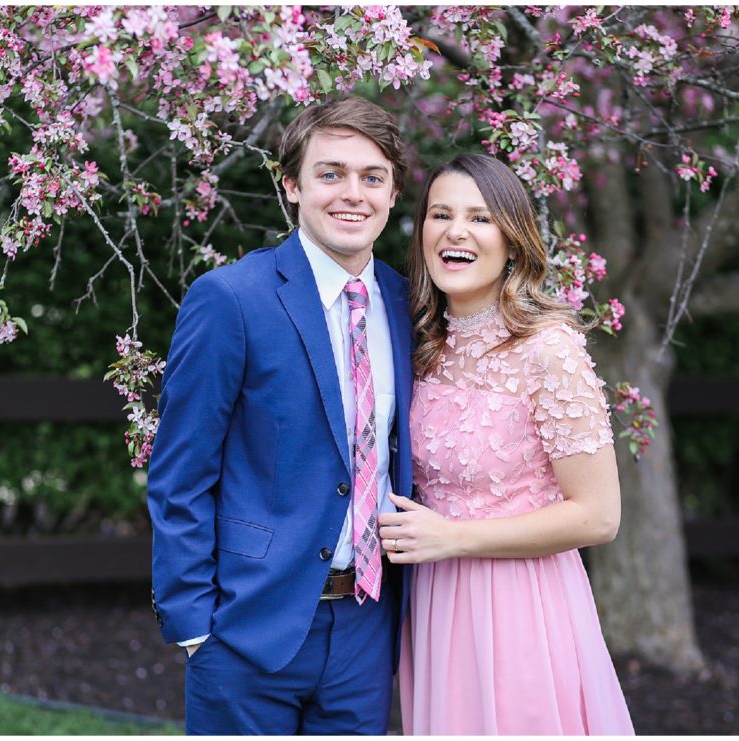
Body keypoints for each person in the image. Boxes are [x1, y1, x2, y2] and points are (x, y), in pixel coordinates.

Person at [146, 96, 415, 734]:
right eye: (331, 174)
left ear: (393, 193)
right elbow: (180, 473)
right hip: (247, 630)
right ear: (291, 186)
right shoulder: (231, 299)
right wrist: (193, 627)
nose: (353, 193)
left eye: (372, 177)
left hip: (368, 627)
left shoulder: (406, 305)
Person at [386, 152, 635, 734]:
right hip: (433, 599)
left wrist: (454, 537)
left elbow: (599, 518)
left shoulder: (549, 351)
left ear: (513, 240)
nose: (456, 232)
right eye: (440, 214)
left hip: (521, 600)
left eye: (479, 218)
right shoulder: (418, 346)